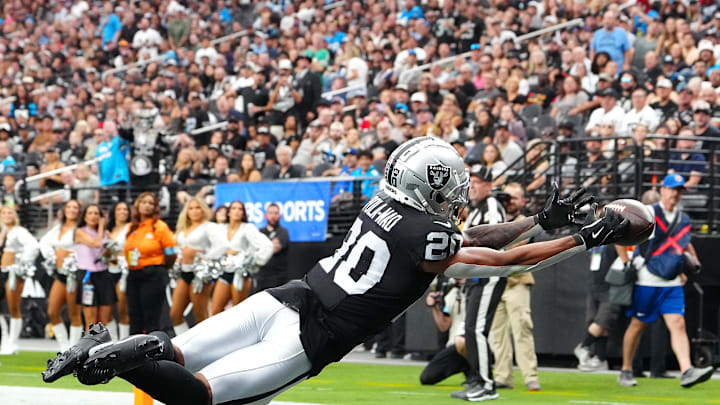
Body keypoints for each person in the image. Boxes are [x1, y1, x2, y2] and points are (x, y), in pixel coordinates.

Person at [44, 137, 626, 405]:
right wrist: (586, 235)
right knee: (199, 396)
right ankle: (114, 359)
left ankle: (117, 347)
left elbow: (472, 237)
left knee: (177, 355)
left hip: (285, 297)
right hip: (310, 335)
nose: (460, 192)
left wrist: (532, 220)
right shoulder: (429, 235)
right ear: (433, 186)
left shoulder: (387, 207)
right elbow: (499, 260)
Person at [616, 174, 715, 388]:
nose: (675, 194)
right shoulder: (649, 212)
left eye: (679, 190)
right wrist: (626, 263)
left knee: (678, 324)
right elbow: (620, 232)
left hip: (671, 280)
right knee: (637, 325)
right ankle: (625, 368)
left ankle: (687, 370)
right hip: (647, 279)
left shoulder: (683, 218)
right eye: (672, 189)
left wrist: (693, 259)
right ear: (662, 190)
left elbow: (684, 243)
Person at [453, 164, 507, 401]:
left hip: (489, 274)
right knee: (471, 330)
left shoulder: (492, 206)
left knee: (476, 330)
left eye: (477, 182)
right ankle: (476, 379)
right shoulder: (474, 211)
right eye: (471, 182)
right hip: (477, 274)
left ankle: (486, 384)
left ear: (489, 185)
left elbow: (495, 238)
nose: (472, 186)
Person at [489, 183, 540, 391]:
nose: (510, 202)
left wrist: (492, 247)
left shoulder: (523, 222)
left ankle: (530, 376)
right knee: (497, 333)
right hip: (495, 281)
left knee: (522, 329)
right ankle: (503, 376)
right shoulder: (494, 218)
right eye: (507, 198)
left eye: (514, 198)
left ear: (522, 201)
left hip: (516, 281)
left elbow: (515, 249)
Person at [172, 197, 229, 335]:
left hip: (200, 275)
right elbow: (178, 247)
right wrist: (180, 256)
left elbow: (223, 245)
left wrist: (204, 257)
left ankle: (206, 348)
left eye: (198, 207)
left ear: (203, 209)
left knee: (200, 317)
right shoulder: (183, 228)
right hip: (184, 272)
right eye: (191, 208)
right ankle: (183, 344)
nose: (194, 211)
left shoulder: (209, 227)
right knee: (175, 314)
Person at [123, 192, 177, 334]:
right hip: (134, 273)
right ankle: (132, 352)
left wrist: (162, 268)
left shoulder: (160, 227)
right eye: (144, 202)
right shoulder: (132, 227)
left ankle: (152, 352)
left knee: (151, 317)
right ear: (138, 205)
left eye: (151, 203)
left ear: (155, 208)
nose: (147, 206)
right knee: (134, 316)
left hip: (154, 274)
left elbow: (171, 253)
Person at [211, 201, 272, 314]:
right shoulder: (222, 228)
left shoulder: (247, 228)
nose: (237, 211)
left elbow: (267, 246)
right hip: (225, 273)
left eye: (240, 209)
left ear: (243, 213)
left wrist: (251, 261)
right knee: (215, 312)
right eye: (234, 208)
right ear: (228, 212)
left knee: (238, 314)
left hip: (241, 275)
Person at [40, 200, 84, 352]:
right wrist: (53, 256)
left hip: (74, 274)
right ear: (64, 210)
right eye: (69, 207)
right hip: (60, 274)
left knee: (74, 313)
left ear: (79, 211)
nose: (71, 210)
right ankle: (64, 348)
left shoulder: (81, 228)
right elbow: (43, 243)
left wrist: (73, 256)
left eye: (75, 207)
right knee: (52, 312)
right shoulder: (58, 228)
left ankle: (74, 349)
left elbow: (86, 249)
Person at [0, 205, 39, 355]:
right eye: (4, 213)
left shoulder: (19, 231)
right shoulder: (1, 231)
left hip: (13, 273)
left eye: (10, 212)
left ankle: (13, 343)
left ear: (14, 215)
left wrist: (20, 262)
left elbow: (33, 246)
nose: (7, 215)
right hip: (1, 272)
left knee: (13, 307)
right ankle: (4, 340)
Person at [420, 277, 470, 386]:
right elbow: (444, 325)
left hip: (476, 341)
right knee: (427, 378)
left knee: (464, 342)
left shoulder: (478, 290)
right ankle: (467, 368)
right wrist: (434, 306)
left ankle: (477, 374)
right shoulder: (451, 293)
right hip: (455, 344)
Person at [74, 204, 115, 331]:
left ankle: (102, 347)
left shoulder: (105, 234)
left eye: (96, 213)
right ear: (85, 216)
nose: (93, 216)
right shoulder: (80, 231)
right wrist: (102, 227)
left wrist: (109, 248)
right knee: (90, 319)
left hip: (103, 273)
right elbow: (96, 244)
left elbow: (110, 253)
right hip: (87, 276)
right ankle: (89, 348)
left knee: (104, 318)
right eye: (90, 213)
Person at [107, 201, 131, 341]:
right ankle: (113, 343)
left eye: (125, 209)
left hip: (123, 271)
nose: (122, 212)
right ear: (114, 212)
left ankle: (124, 342)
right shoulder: (108, 229)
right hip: (108, 270)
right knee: (107, 312)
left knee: (122, 309)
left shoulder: (130, 228)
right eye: (119, 209)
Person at [254, 203, 291, 293]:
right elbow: (253, 250)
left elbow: (274, 249)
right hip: (261, 277)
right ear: (265, 216)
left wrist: (262, 247)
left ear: (280, 216)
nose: (273, 216)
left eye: (276, 213)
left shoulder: (283, 232)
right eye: (270, 213)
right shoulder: (259, 232)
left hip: (278, 278)